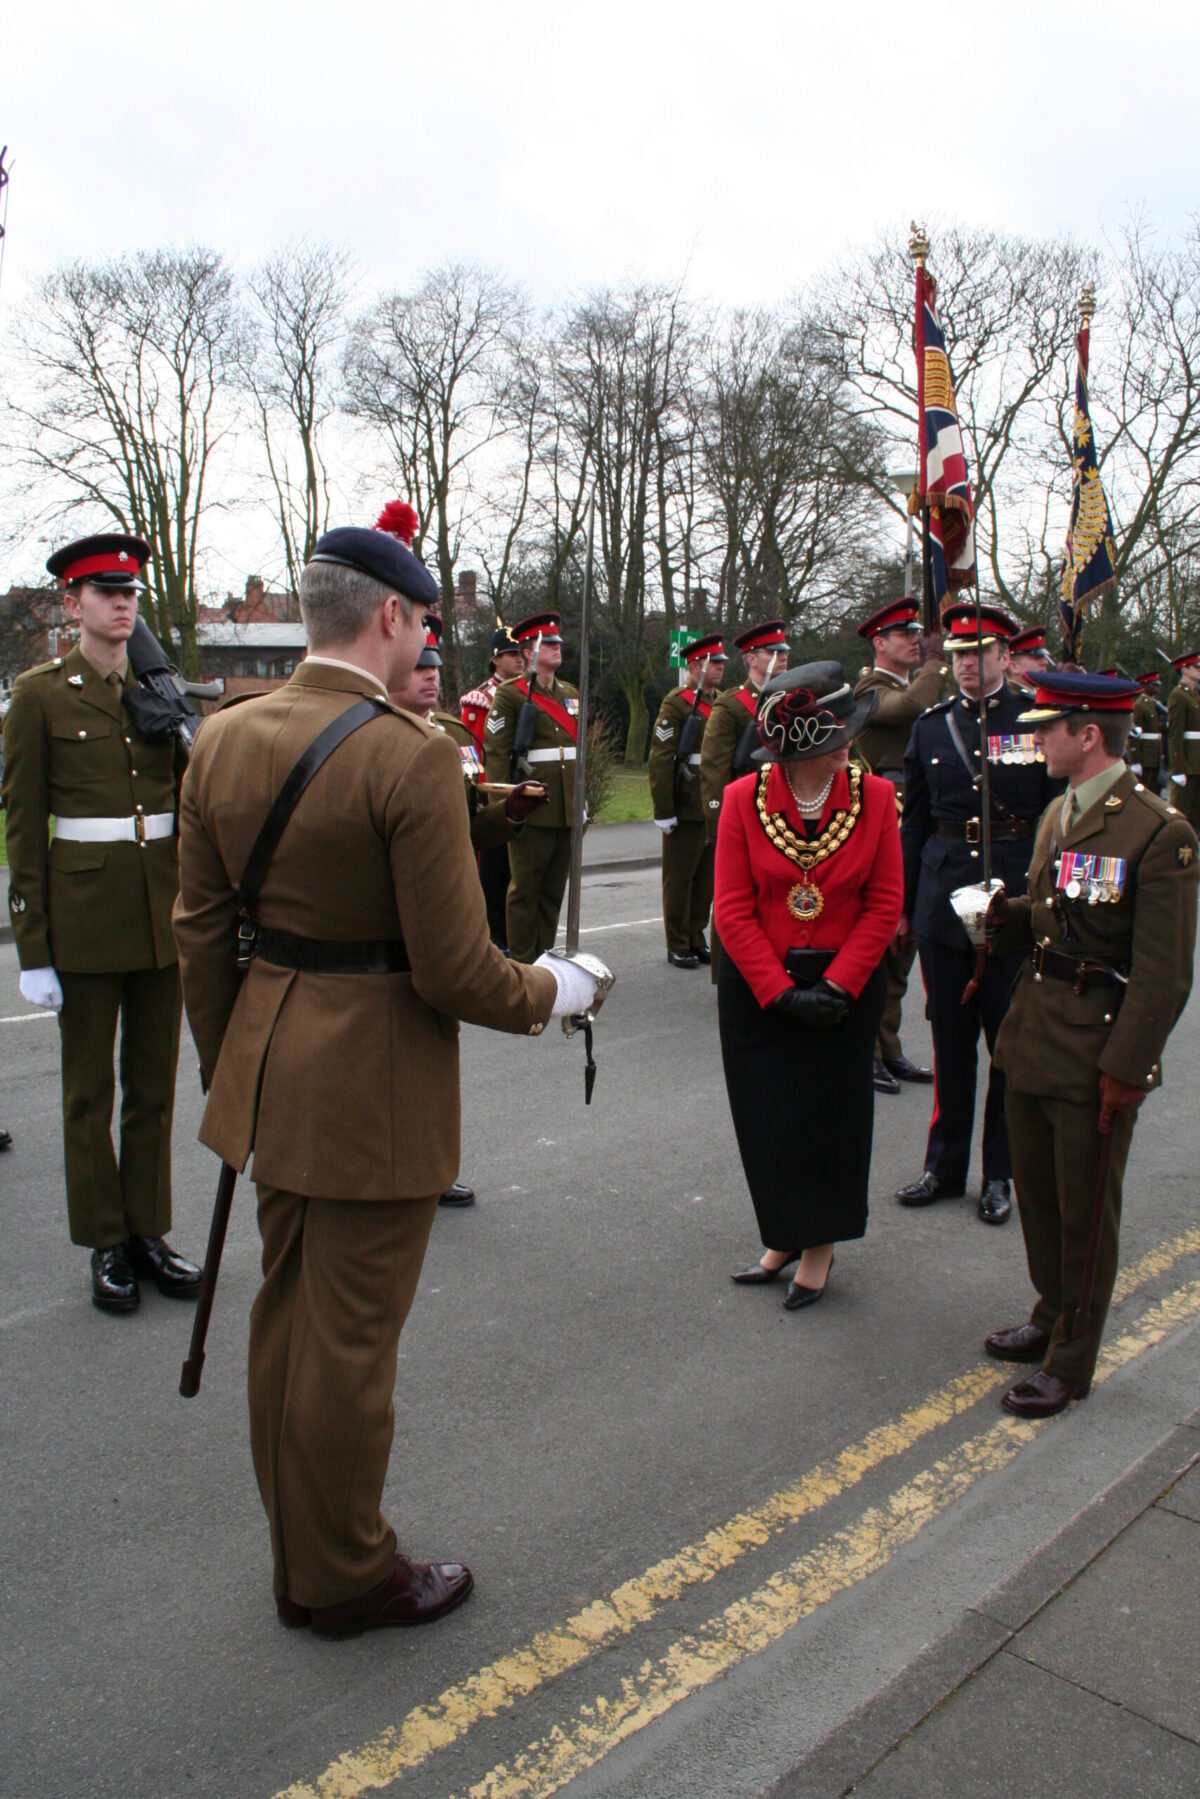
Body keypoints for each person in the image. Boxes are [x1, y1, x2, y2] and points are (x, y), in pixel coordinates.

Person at [172, 525, 607, 1636]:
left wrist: (236, 1068)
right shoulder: (407, 751)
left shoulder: (222, 736)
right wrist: (556, 988)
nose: (424, 640)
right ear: (387, 620)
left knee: (290, 1323)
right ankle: (345, 1571)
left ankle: (301, 1549)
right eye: (420, 623)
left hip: (270, 1065)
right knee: (349, 1346)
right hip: (373, 1087)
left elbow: (201, 931)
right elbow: (458, 968)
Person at [984, 672, 1198, 1416]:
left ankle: (1072, 1358)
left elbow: (1166, 973)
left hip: (1094, 1046)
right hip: (1034, 1030)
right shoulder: (1059, 813)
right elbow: (1052, 913)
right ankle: (1051, 1314)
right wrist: (998, 915)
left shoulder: (1158, 831)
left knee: (1085, 1209)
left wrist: (1126, 1068)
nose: (1035, 737)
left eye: (1048, 727)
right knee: (1040, 1196)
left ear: (1089, 735)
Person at [2, 533, 200, 1313]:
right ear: (71, 603)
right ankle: (105, 1241)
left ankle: (148, 1231)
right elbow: (25, 828)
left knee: (152, 1087)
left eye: (131, 591)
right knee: (89, 1093)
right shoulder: (41, 696)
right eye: (105, 590)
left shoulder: (158, 691)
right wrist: (33, 947)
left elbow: (193, 804)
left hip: (161, 917)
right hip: (82, 923)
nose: (123, 601)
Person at [716, 662, 902, 1309]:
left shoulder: (875, 797)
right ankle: (784, 1235)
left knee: (830, 1118)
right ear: (803, 744)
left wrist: (840, 986)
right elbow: (732, 909)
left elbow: (884, 903)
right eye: (839, 730)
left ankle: (818, 1246)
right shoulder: (744, 799)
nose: (852, 740)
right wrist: (779, 991)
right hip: (760, 987)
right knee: (769, 1117)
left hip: (844, 985)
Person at [894, 603, 1063, 1225]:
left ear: (1004, 655)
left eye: (981, 653)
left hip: (1012, 899)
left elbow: (1055, 818)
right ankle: (943, 1166)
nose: (968, 664)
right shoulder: (932, 726)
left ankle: (999, 1173)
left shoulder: (1035, 719)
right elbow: (912, 826)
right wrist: (907, 906)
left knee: (1007, 1046)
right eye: (959, 654)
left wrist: (1044, 903)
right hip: (943, 897)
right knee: (950, 1042)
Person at [390, 616, 549, 1210]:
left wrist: (511, 814)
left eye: (435, 667)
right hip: (397, 912)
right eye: (418, 667)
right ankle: (394, 1164)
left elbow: (470, 822)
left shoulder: (456, 732)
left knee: (440, 1042)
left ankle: (433, 1165)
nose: (431, 678)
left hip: (453, 901)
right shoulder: (376, 732)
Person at [852, 596, 948, 1093]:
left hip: (914, 822)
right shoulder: (870, 689)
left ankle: (888, 1047)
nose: (915, 639)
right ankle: (866, 1051)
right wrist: (935, 661)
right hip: (882, 823)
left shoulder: (921, 684)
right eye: (904, 634)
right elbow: (910, 707)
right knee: (879, 941)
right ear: (879, 643)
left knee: (902, 943)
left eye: (918, 632)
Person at [483, 611, 580, 963]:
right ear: (529, 651)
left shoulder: (570, 693)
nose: (557, 649)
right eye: (549, 643)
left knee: (553, 890)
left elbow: (574, 754)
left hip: (564, 805)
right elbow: (496, 754)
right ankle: (523, 960)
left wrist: (579, 801)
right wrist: (507, 809)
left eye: (557, 643)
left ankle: (544, 957)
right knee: (525, 888)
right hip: (532, 806)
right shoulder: (511, 695)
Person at [700, 620, 790, 979]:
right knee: (733, 898)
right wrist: (718, 823)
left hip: (780, 809)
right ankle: (727, 974)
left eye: (784, 651)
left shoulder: (788, 699)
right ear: (752, 658)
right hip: (742, 810)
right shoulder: (733, 706)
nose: (782, 658)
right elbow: (714, 768)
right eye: (773, 652)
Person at [648, 633, 727, 968]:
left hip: (712, 802)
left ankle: (697, 935)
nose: (721, 668)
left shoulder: (722, 702)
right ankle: (677, 941)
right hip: (685, 801)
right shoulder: (677, 703)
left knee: (706, 878)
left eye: (723, 663)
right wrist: (664, 809)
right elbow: (662, 758)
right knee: (679, 877)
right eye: (714, 663)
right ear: (695, 666)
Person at [460, 623, 525, 950]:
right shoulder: (481, 699)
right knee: (494, 872)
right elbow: (478, 753)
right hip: (496, 795)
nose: (519, 659)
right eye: (511, 654)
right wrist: (487, 798)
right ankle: (494, 935)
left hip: (522, 793)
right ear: (496, 659)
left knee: (520, 874)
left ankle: (517, 933)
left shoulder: (529, 693)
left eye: (521, 653)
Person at [1166, 649, 1200, 830]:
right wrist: (1177, 769)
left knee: (1195, 817)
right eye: (1196, 667)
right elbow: (1175, 734)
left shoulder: (1195, 695)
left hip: (1197, 763)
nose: (1199, 670)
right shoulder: (1178, 695)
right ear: (1184, 669)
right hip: (1186, 765)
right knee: (1180, 815)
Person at [1128, 670, 1165, 790]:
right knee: (1144, 789)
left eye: (1157, 685)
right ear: (1144, 685)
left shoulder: (1153, 703)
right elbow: (1134, 734)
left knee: (1153, 790)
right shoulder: (1140, 705)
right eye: (1153, 685)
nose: (1156, 688)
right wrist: (1135, 761)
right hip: (1145, 756)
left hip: (1154, 755)